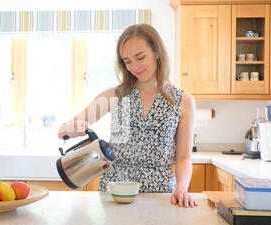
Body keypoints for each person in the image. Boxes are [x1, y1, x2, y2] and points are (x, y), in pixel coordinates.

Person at [58, 24, 197, 208]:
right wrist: (69, 128)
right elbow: (67, 128)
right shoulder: (113, 96)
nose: (134, 66)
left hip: (161, 194)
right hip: (115, 193)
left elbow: (184, 158)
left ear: (156, 52)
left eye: (140, 57)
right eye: (127, 61)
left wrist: (182, 188)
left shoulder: (182, 101)